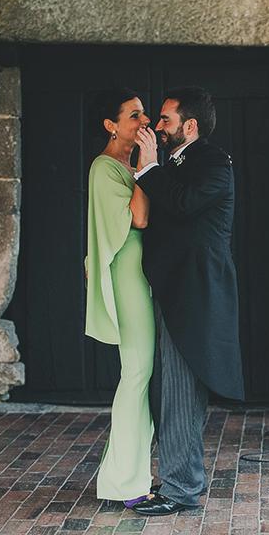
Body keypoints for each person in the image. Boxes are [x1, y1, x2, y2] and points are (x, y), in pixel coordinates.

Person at [130, 87, 245, 516]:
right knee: (171, 390)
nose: (157, 126)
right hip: (174, 287)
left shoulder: (213, 162)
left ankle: (180, 489)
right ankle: (180, 479)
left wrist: (147, 167)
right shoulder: (176, 163)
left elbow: (182, 203)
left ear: (190, 125)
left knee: (179, 390)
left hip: (195, 291)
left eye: (165, 119)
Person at [84, 88, 155, 508]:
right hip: (127, 278)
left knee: (142, 376)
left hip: (144, 277)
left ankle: (128, 477)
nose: (144, 121)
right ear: (111, 125)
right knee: (136, 373)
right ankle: (124, 483)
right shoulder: (105, 168)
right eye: (134, 115)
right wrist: (147, 167)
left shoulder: (129, 167)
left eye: (144, 114)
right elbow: (139, 218)